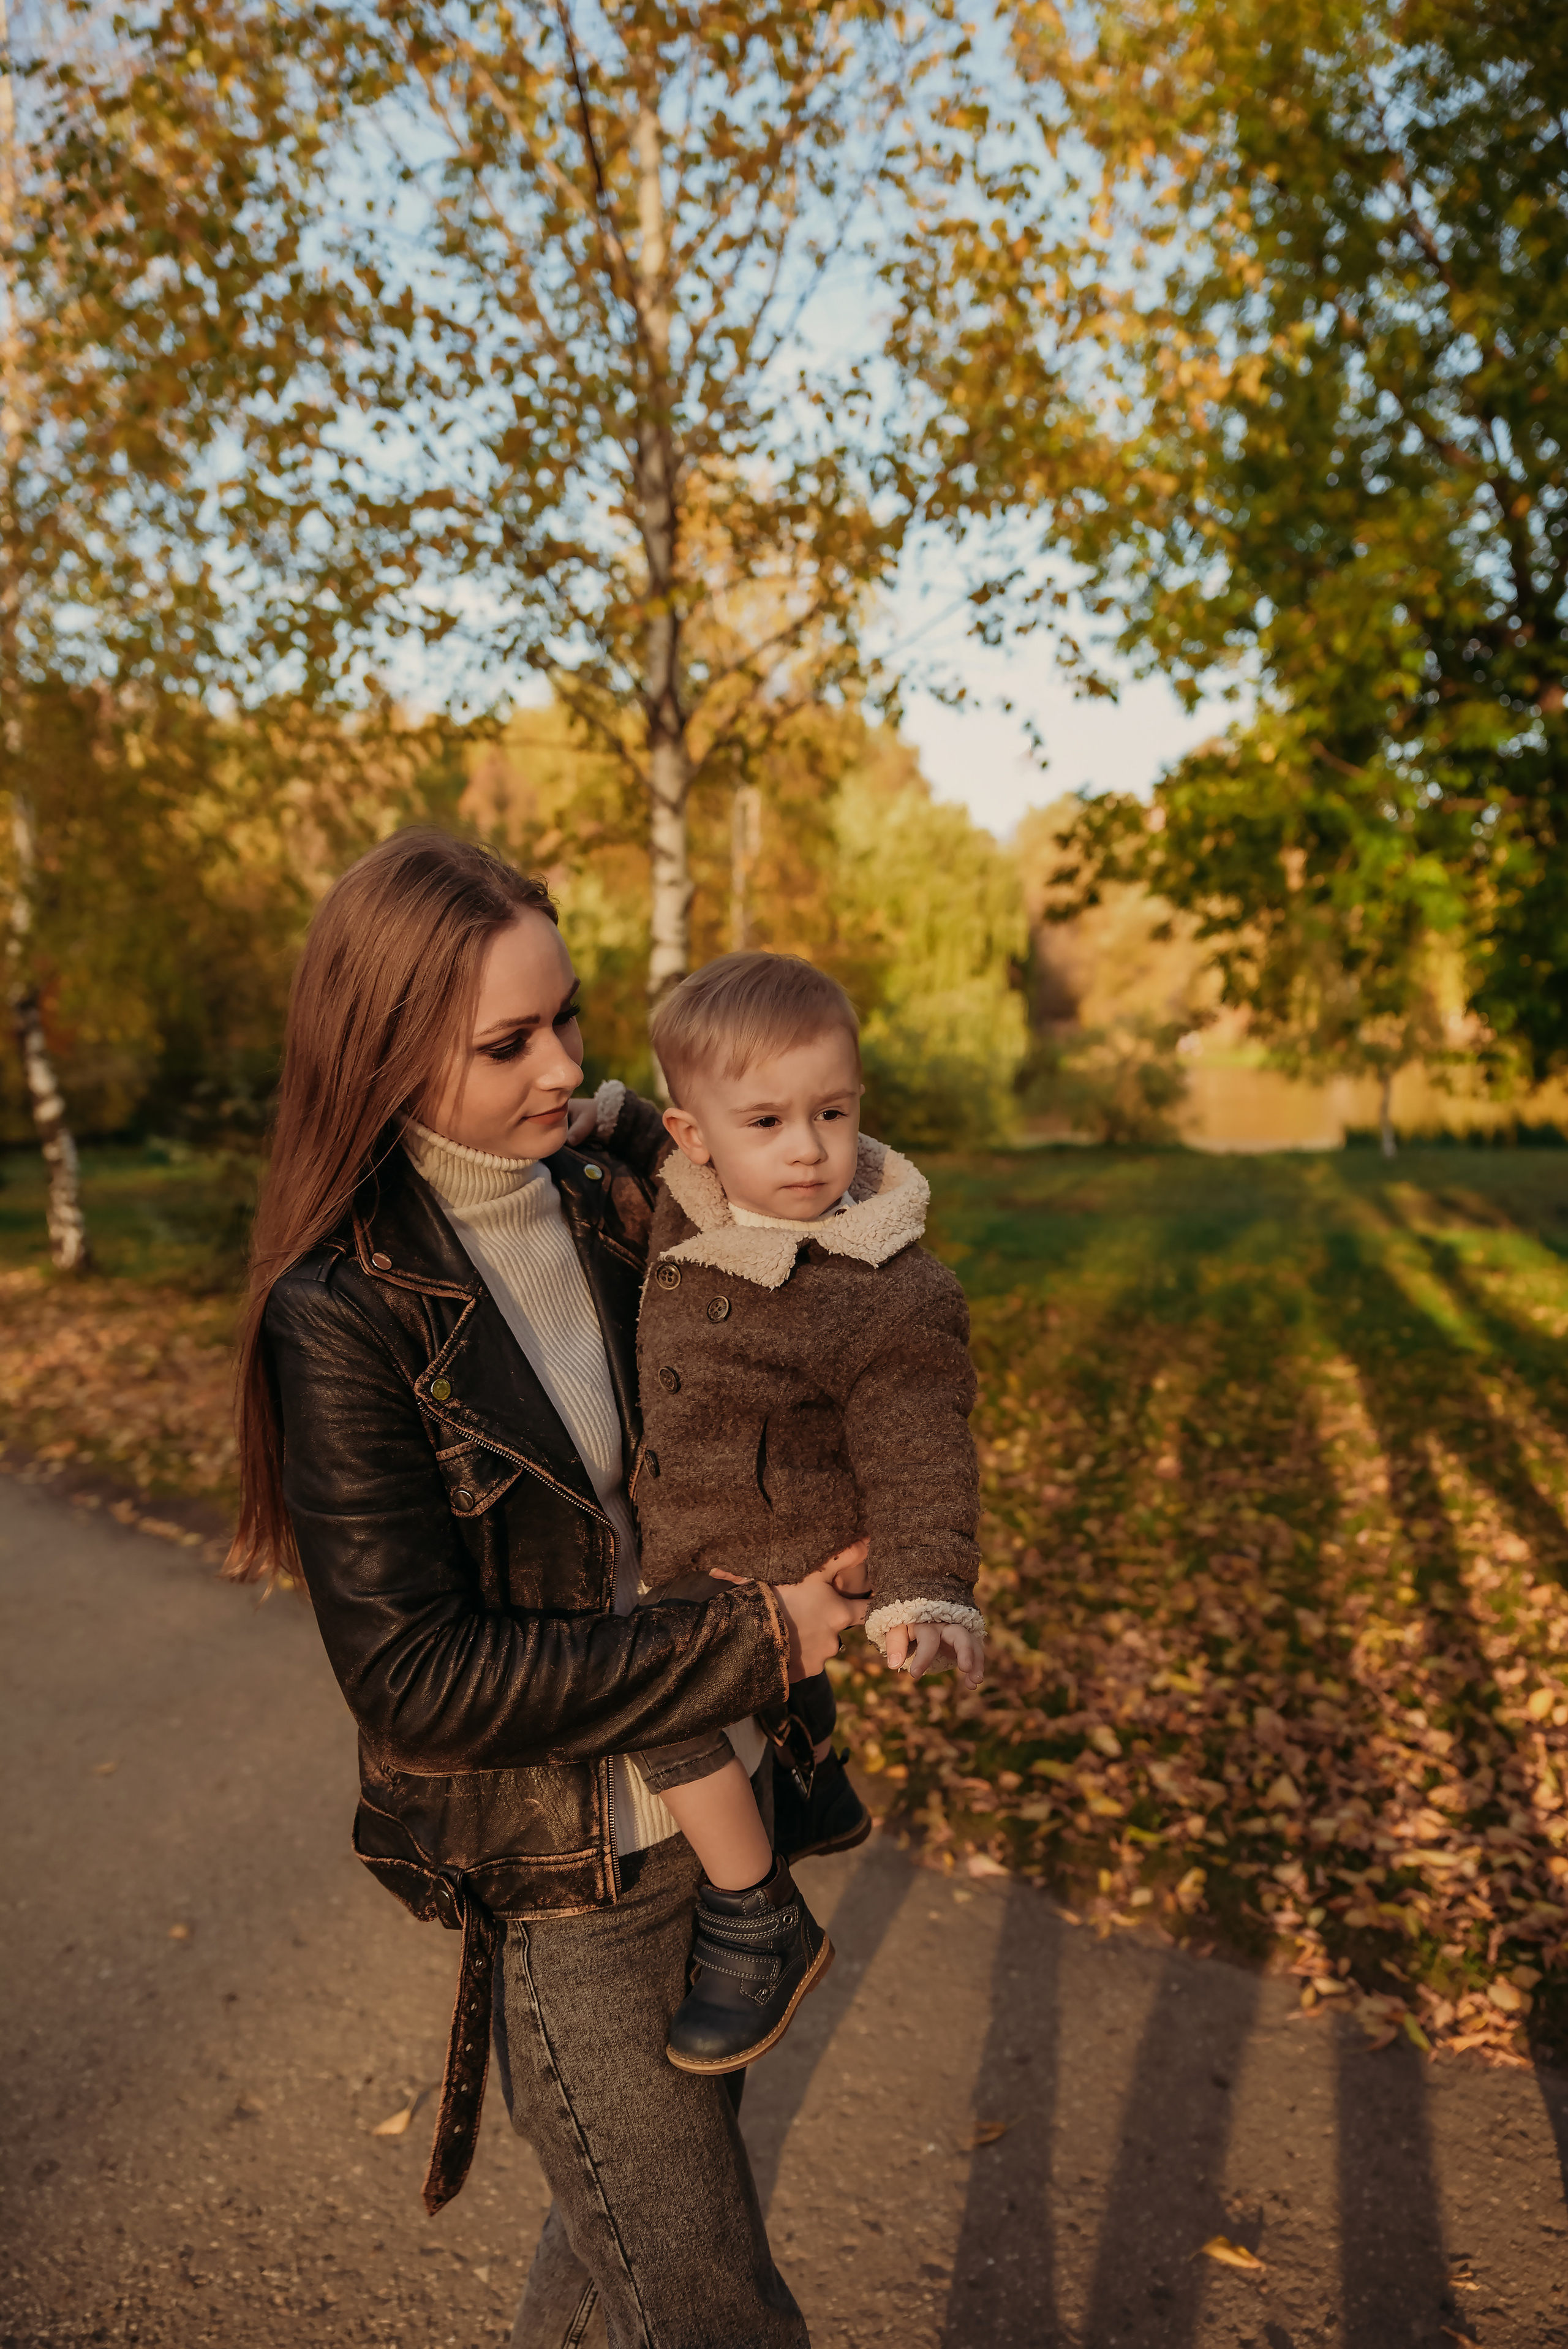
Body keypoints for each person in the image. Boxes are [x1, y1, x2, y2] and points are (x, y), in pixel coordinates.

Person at [228, 830, 867, 2349]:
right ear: (383, 1050)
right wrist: (756, 1639)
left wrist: (670, 1134)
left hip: (707, 1811)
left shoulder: (591, 1191)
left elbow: (813, 1274)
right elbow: (417, 1684)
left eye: (567, 1019)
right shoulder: (338, 1313)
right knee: (710, 2301)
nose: (558, 1065)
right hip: (568, 1879)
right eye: (506, 1041)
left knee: (624, 2256)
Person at [618, 951, 985, 2073]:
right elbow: (648, 1125)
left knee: (650, 1701)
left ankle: (755, 1913)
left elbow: (921, 1443)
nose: (809, 1149)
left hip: (772, 1551)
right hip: (697, 1527)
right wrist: (603, 1112)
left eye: (833, 1111)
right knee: (686, 1673)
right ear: (699, 1137)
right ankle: (811, 1776)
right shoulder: (689, 1191)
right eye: (768, 1120)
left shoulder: (886, 1281)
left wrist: (930, 1583)